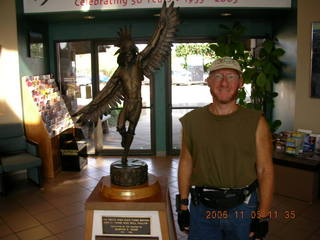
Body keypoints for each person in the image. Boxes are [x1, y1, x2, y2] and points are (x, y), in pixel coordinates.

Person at [176, 57, 274, 240]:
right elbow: (186, 162)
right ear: (208, 82)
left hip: (242, 210)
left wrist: (263, 216)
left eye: (231, 76)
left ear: (240, 83)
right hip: (202, 209)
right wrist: (182, 207)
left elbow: (265, 170)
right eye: (218, 76)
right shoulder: (191, 121)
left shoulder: (256, 122)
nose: (224, 82)